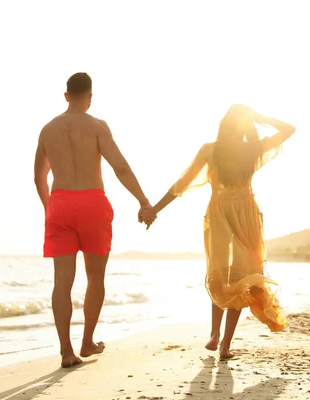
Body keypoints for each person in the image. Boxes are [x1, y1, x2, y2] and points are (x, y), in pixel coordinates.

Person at [139, 105, 295, 359]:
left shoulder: (210, 150)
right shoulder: (252, 150)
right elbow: (290, 130)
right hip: (245, 214)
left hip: (219, 213)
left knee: (220, 274)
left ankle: (214, 333)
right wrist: (260, 118)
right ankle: (225, 346)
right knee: (242, 276)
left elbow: (182, 184)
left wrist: (155, 209)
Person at [33, 72, 154, 367]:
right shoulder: (98, 127)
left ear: (65, 96)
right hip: (92, 205)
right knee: (95, 277)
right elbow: (120, 168)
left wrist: (51, 208)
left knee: (62, 282)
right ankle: (87, 341)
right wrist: (143, 201)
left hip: (60, 203)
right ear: (90, 97)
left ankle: (66, 351)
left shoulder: (48, 129)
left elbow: (39, 177)